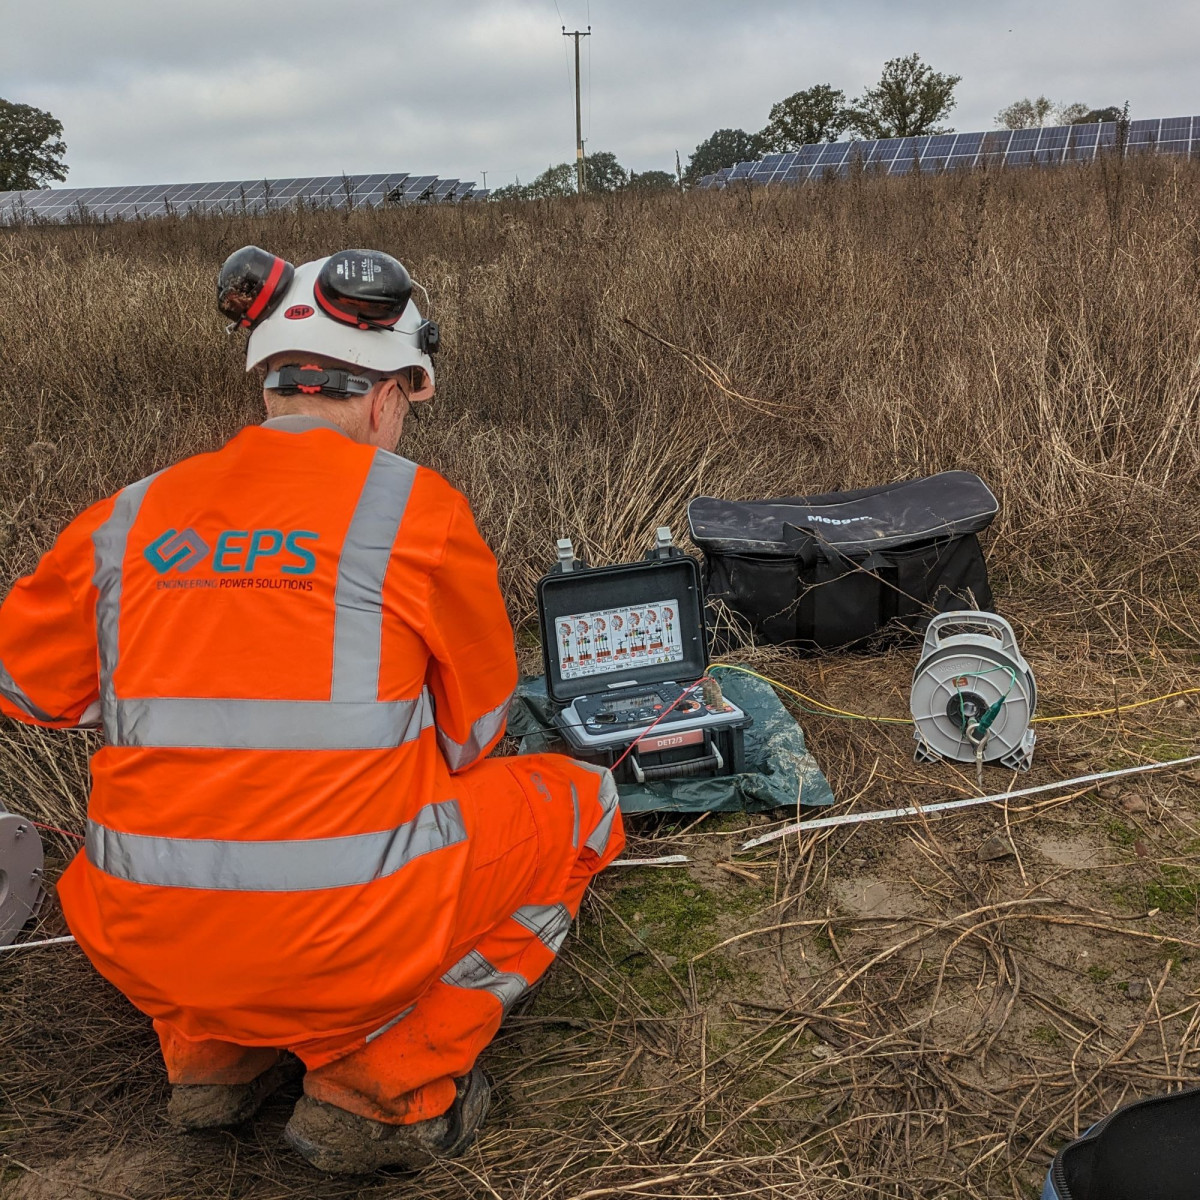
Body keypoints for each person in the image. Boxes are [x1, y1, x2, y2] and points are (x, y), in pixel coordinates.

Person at [0, 247, 625, 1174]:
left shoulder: (128, 517)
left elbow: (31, 690)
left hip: (147, 943)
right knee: (580, 804)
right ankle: (380, 1086)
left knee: (176, 872)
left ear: (270, 384)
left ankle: (214, 1056)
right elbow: (475, 737)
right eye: (409, 403)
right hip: (349, 943)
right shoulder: (416, 508)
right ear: (384, 396)